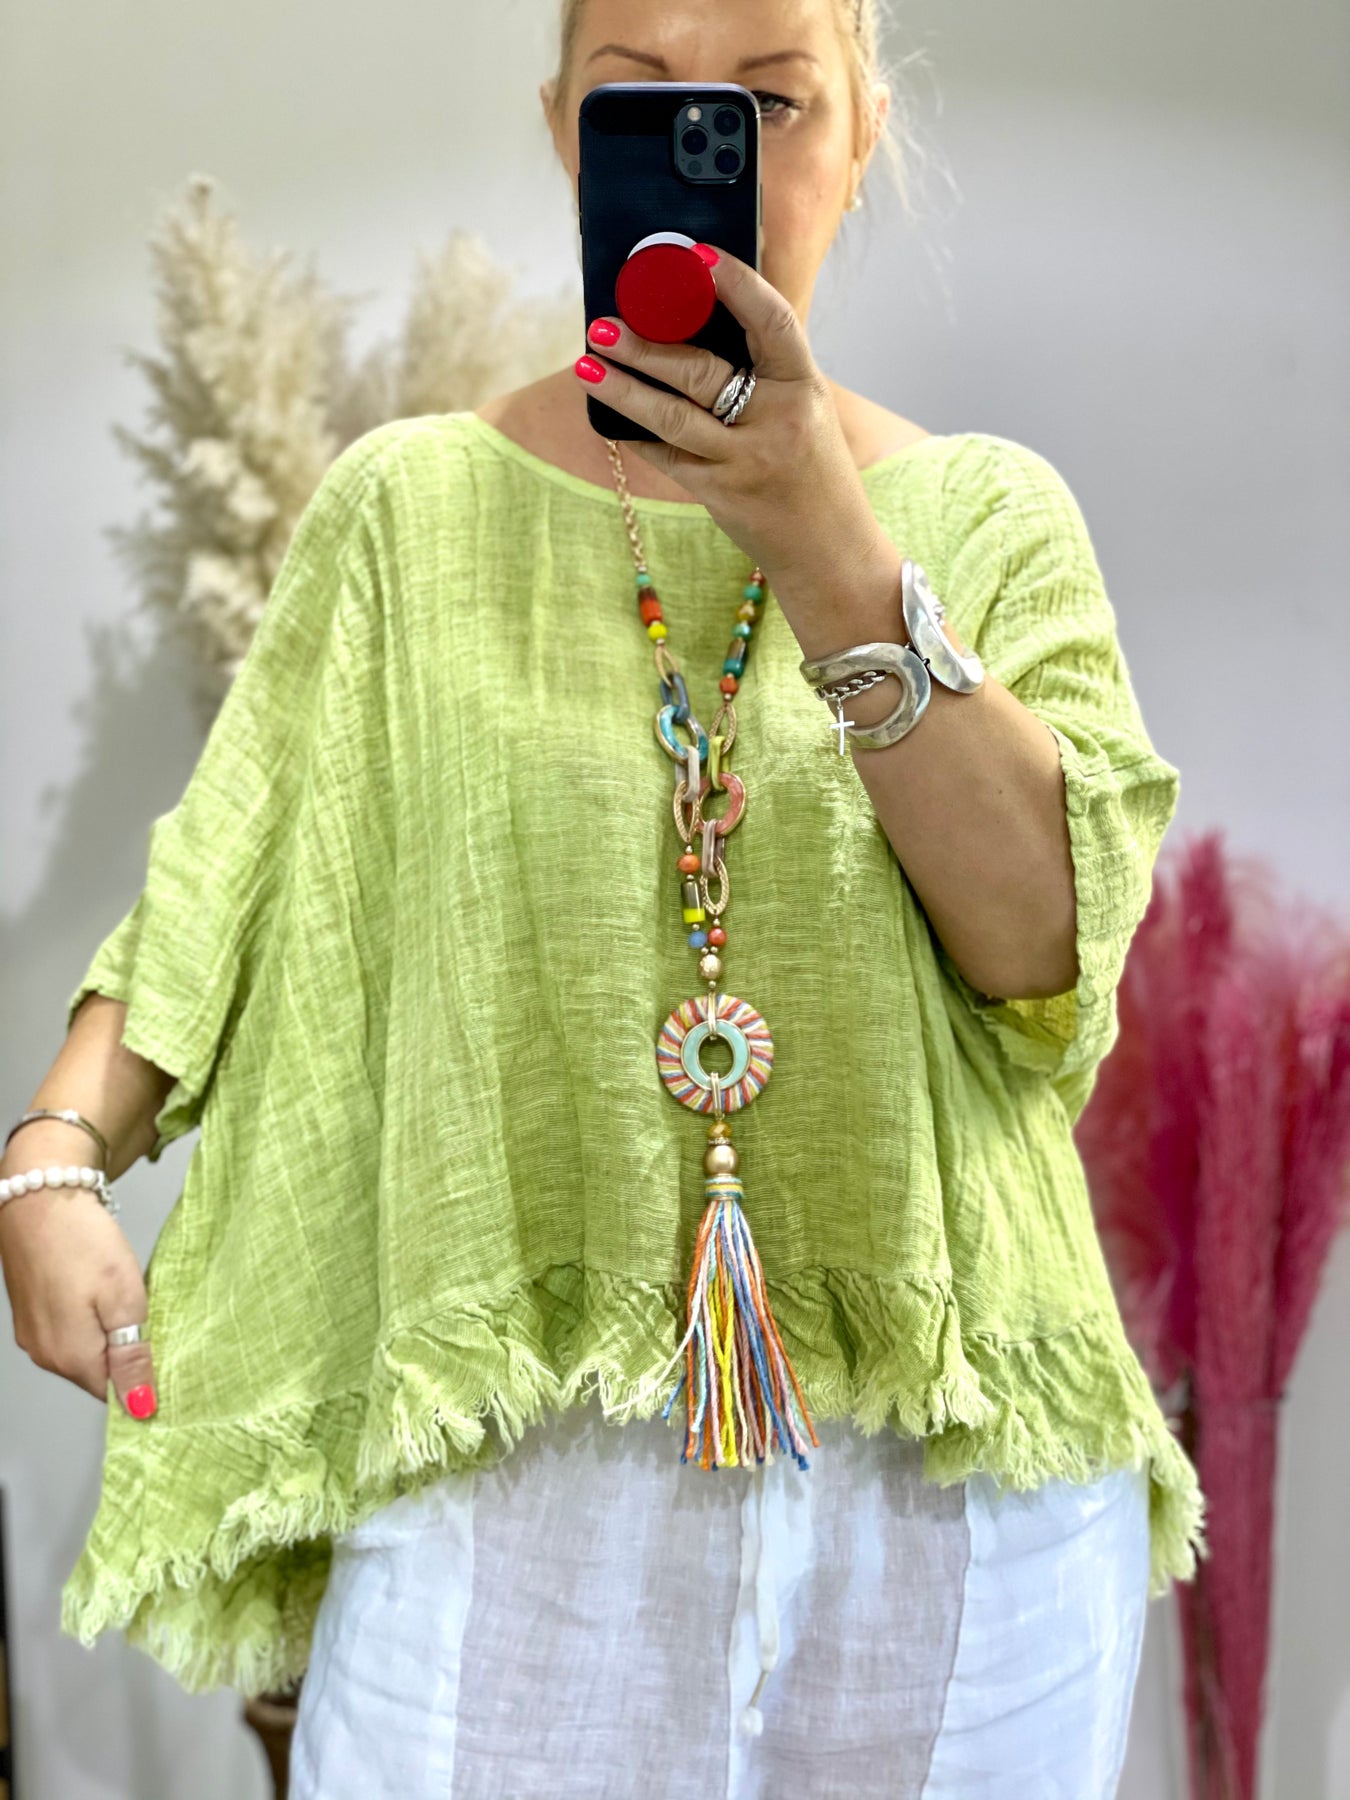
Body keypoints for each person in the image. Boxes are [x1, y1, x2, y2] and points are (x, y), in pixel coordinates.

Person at [0, 0, 1207, 1794]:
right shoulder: (407, 512)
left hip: (956, 1496)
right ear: (566, 131)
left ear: (863, 135)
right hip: (511, 1462)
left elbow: (1044, 947)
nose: (712, 146)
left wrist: (827, 542)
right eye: (640, 100)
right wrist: (49, 1160)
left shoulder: (988, 513)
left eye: (771, 100)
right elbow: (229, 874)